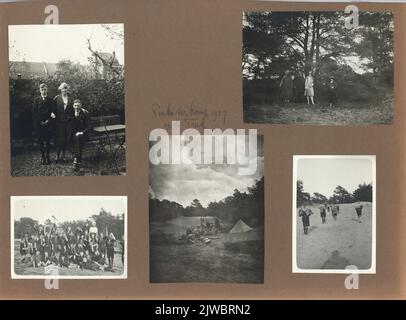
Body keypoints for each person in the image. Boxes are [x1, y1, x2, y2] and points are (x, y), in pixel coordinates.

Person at [32, 83, 55, 165]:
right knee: (41, 141)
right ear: (40, 90)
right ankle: (43, 157)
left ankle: (48, 157)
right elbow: (34, 113)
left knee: (48, 141)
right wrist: (40, 121)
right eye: (42, 90)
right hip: (39, 124)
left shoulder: (50, 100)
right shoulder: (37, 100)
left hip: (48, 124)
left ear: (47, 90)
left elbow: (52, 111)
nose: (43, 91)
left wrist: (48, 120)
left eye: (45, 89)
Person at [53, 82, 74, 163]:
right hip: (59, 122)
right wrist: (52, 114)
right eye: (63, 89)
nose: (64, 90)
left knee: (65, 139)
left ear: (67, 90)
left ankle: (63, 155)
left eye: (65, 89)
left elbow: (73, 109)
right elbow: (53, 109)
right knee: (59, 139)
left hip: (68, 122)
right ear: (60, 90)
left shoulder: (71, 99)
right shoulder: (56, 98)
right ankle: (57, 155)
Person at [70, 99, 92, 170]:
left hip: (83, 134)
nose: (76, 107)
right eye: (75, 106)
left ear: (81, 106)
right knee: (75, 139)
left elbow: (90, 125)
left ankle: (76, 160)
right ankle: (78, 159)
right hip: (72, 134)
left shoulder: (85, 113)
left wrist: (82, 132)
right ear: (73, 106)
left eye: (78, 106)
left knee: (78, 139)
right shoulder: (70, 113)